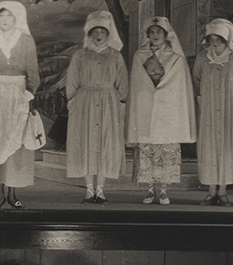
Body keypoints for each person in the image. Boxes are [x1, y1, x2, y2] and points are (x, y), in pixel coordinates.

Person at [0, 1, 40, 210]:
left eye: (9, 16)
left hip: (19, 94)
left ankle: (13, 192)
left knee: (17, 142)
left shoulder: (27, 41)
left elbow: (33, 70)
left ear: (17, 19)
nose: (5, 20)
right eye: (1, 16)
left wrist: (28, 93)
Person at [127, 17, 196, 205]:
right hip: (146, 108)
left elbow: (179, 87)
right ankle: (149, 189)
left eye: (159, 31)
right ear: (147, 35)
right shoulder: (139, 57)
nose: (155, 35)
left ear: (166, 35)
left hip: (168, 110)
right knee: (147, 148)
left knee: (166, 149)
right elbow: (137, 85)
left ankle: (164, 190)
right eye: (152, 32)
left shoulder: (176, 58)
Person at [65, 11, 128, 204]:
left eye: (102, 31)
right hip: (85, 102)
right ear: (89, 33)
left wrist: (118, 100)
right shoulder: (80, 55)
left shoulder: (115, 56)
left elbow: (123, 82)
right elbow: (72, 81)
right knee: (86, 143)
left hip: (108, 103)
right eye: (95, 31)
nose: (99, 35)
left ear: (108, 34)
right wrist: (74, 101)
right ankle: (88, 189)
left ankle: (100, 190)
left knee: (105, 144)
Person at [192, 19, 233, 206]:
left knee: (227, 147)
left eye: (219, 39)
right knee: (209, 147)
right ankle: (210, 191)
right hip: (208, 108)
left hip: (229, 109)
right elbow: (196, 80)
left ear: (227, 40)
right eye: (212, 39)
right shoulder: (202, 57)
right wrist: (203, 98)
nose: (215, 43)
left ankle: (223, 191)